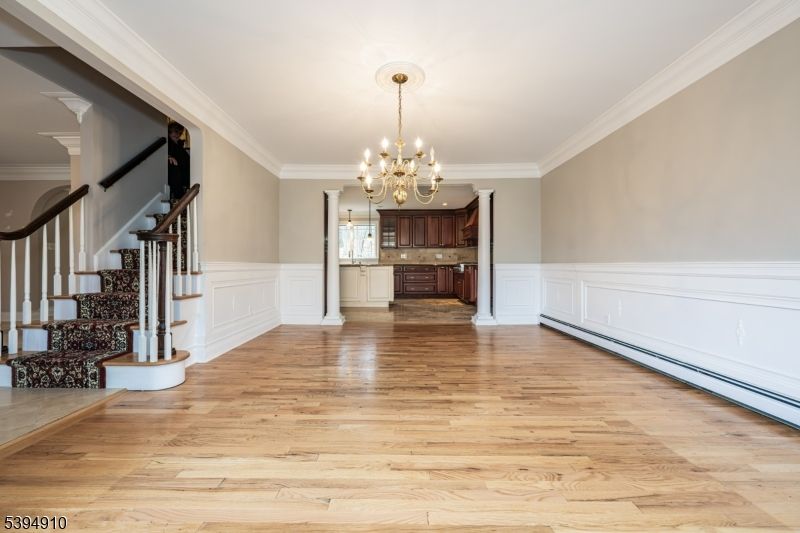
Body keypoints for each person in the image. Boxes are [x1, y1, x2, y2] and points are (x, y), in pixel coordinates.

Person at [167, 121, 190, 200]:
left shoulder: (179, 144)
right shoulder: (168, 143)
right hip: (177, 174)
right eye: (175, 132)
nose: (177, 134)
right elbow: (163, 152)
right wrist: (168, 156)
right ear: (170, 132)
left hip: (184, 173)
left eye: (179, 133)